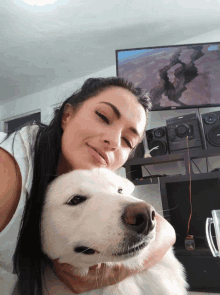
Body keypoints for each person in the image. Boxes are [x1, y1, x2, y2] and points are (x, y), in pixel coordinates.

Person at [0, 77, 176, 295]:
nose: (113, 140)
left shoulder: (98, 173)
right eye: (103, 117)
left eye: (127, 141)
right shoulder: (7, 173)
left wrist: (114, 273)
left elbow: (164, 228)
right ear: (67, 115)